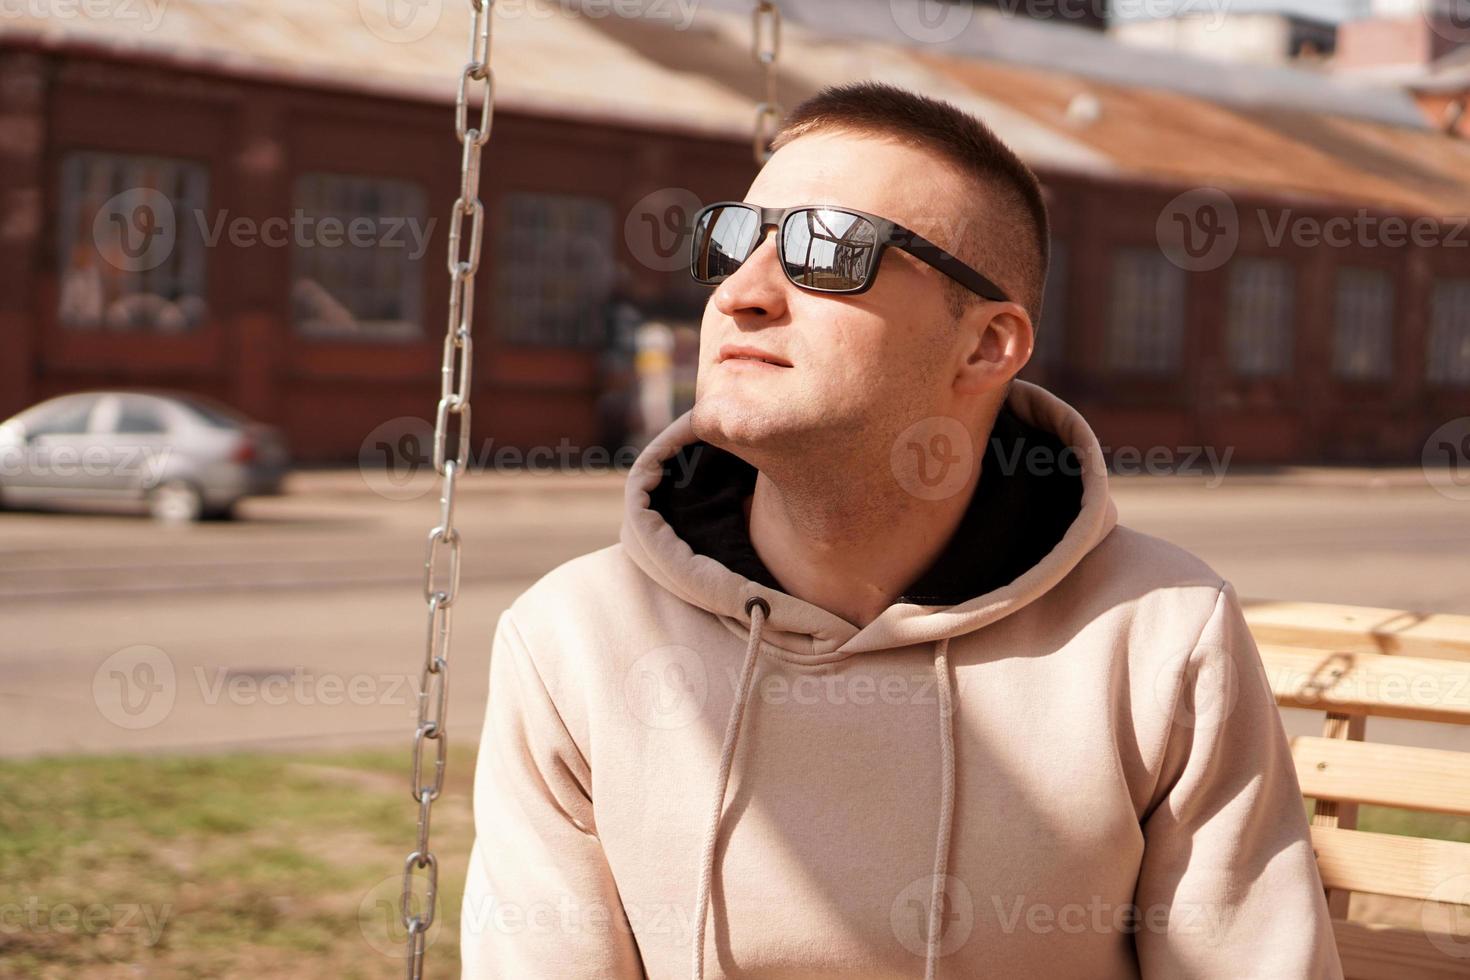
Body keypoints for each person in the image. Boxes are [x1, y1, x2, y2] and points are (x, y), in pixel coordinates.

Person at [461, 82, 1343, 979]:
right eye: (735, 241)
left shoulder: (1159, 635)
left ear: (986, 345)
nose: (743, 293)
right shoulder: (573, 636)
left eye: (829, 247)